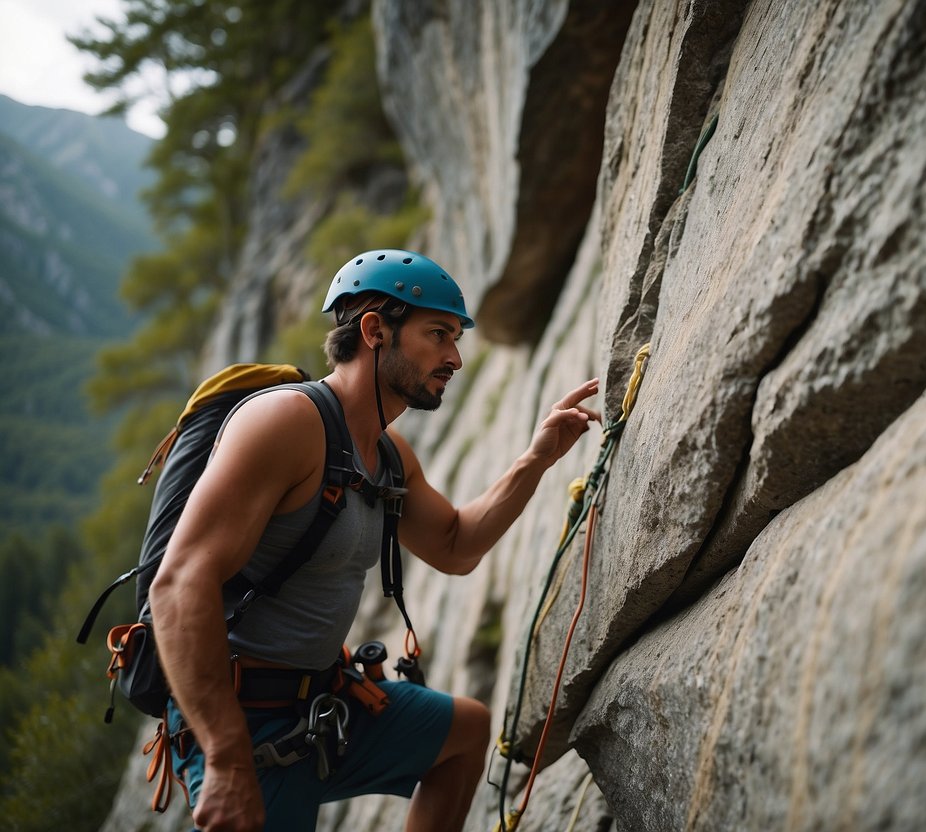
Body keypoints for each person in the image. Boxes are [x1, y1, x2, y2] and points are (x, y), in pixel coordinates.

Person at [150, 249, 600, 832]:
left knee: (464, 733)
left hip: (320, 704)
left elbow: (456, 545)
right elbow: (180, 583)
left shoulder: (386, 454)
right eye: (438, 334)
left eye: (456, 338)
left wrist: (535, 461)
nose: (455, 357)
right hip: (245, 724)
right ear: (374, 331)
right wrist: (227, 759)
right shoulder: (287, 424)